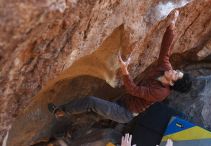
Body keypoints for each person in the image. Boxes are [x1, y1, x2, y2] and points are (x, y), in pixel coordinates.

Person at [48, 9, 192, 125]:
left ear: (172, 83)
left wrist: (124, 69)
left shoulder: (160, 92)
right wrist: (172, 25)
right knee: (95, 110)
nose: (173, 70)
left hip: (124, 112)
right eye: (177, 71)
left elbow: (134, 89)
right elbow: (165, 52)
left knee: (91, 102)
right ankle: (80, 121)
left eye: (175, 74)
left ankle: (60, 112)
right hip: (124, 100)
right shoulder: (165, 69)